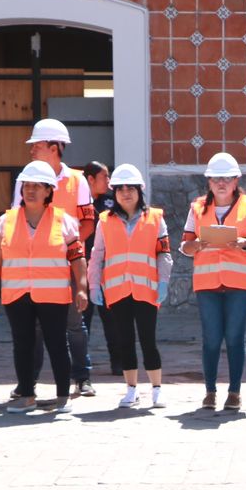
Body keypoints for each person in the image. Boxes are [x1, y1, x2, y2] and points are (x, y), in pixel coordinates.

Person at [0, 161, 87, 414]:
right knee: (23, 344)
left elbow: (77, 257)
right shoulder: (6, 221)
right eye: (26, 186)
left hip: (53, 295)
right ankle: (27, 395)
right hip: (16, 294)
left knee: (56, 343)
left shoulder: (64, 221)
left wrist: (82, 287)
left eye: (37, 186)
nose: (30, 191)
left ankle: (63, 396)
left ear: (48, 191)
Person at [13, 119, 98, 397]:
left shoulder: (77, 180)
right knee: (34, 328)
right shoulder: (24, 181)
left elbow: (87, 224)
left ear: (53, 148)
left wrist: (69, 253)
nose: (31, 150)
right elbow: (17, 221)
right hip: (34, 269)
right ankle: (28, 381)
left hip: (69, 264)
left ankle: (82, 377)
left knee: (74, 324)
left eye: (36, 145)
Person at [180, 152, 246, 413]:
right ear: (209, 182)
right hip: (207, 283)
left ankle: (235, 392)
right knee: (212, 339)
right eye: (216, 178)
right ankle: (210, 391)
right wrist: (196, 245)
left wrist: (245, 243)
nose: (221, 183)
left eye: (227, 178)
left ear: (236, 180)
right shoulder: (197, 207)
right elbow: (185, 245)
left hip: (240, 283)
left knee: (235, 337)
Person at [87, 164, 171, 410]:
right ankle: (131, 390)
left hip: (146, 290)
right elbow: (97, 253)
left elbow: (163, 254)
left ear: (139, 191)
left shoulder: (155, 218)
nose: (126, 193)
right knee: (125, 340)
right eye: (120, 188)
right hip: (118, 291)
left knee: (148, 340)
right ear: (114, 192)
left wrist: (164, 281)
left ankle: (156, 390)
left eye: (130, 188)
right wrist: (94, 284)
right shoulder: (104, 220)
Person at [82, 160, 122, 382]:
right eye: (104, 177)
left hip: (108, 270)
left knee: (114, 320)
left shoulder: (111, 202)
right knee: (81, 322)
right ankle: (80, 366)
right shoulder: (78, 201)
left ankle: (118, 363)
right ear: (90, 179)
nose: (109, 181)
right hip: (82, 269)